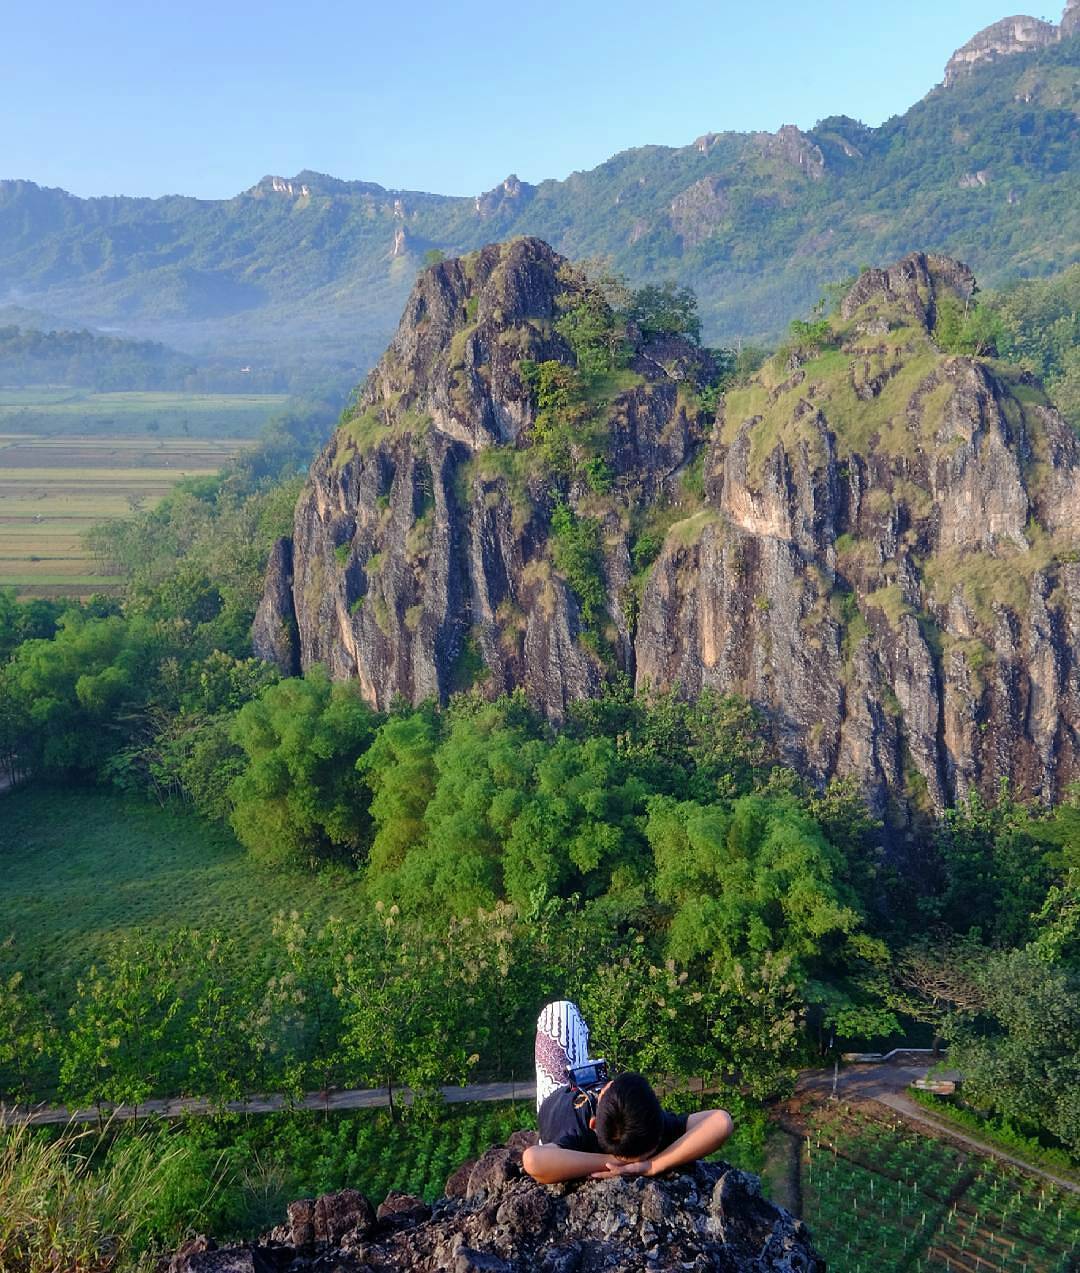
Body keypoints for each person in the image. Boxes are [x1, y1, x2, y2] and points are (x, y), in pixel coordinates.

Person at [522, 999, 734, 1185]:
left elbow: (533, 1160)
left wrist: (615, 1163)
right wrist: (651, 1164)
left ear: (594, 1125)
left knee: (560, 1010)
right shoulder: (648, 1131)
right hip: (587, 1095)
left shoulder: (576, 1130)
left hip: (557, 1095)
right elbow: (721, 1121)